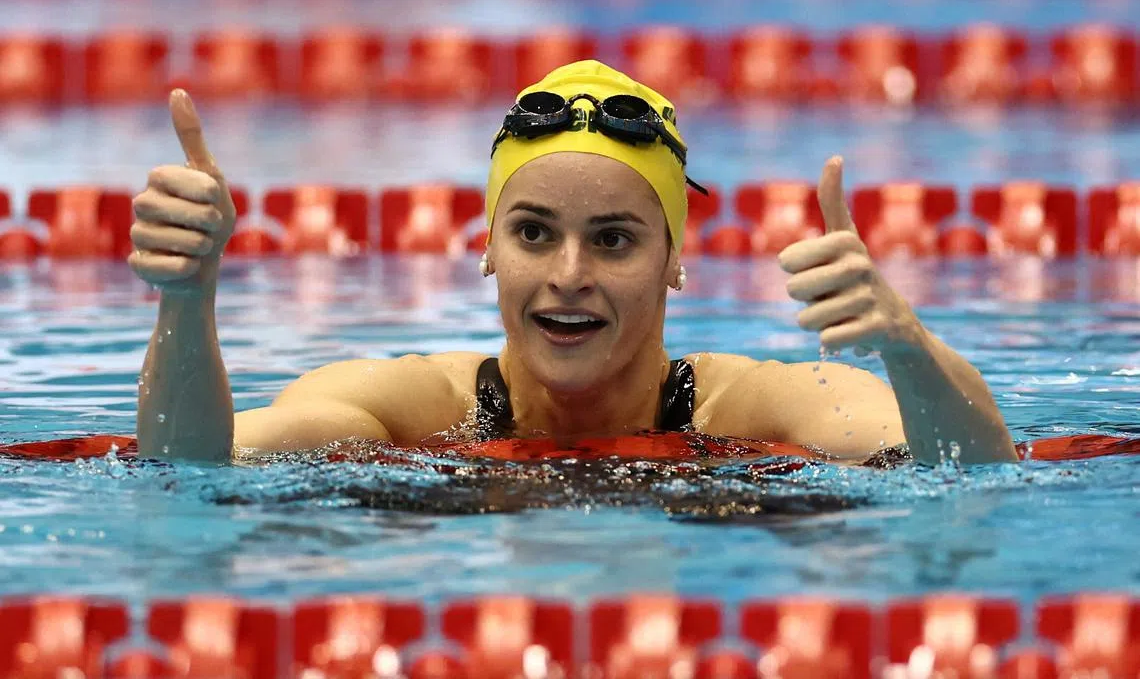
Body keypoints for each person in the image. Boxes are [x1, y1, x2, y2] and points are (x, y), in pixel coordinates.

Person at [130, 61, 1017, 465]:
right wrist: (187, 298)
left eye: (614, 239)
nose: (568, 273)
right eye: (533, 233)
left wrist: (907, 346)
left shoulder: (750, 407)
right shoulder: (408, 406)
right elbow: (191, 468)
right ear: (487, 246)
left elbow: (973, 469)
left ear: (674, 261)